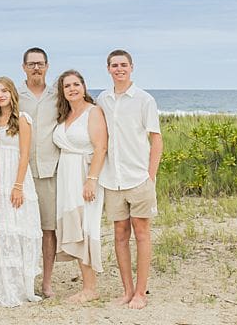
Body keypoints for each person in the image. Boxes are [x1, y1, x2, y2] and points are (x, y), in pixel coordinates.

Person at [96, 49, 162, 309]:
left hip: (138, 178)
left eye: (123, 64)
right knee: (120, 234)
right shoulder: (103, 99)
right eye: (114, 65)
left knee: (142, 233)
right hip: (113, 179)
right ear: (108, 68)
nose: (119, 69)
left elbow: (156, 139)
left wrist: (150, 176)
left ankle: (140, 293)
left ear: (131, 67)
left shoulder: (144, 100)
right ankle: (127, 290)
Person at [53, 68, 108, 303]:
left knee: (87, 227)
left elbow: (101, 147)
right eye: (67, 86)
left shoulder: (93, 112)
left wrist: (91, 180)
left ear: (84, 87)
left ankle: (90, 288)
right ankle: (86, 284)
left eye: (76, 84)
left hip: (85, 175)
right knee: (75, 226)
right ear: (62, 92)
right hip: (66, 176)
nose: (72, 89)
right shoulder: (65, 116)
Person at [0, 77, 41, 307]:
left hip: (16, 179)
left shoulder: (22, 119)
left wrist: (18, 186)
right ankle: (4, 287)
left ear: (12, 94)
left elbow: (24, 155)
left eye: (5, 91)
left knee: (18, 231)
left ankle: (21, 287)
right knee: (1, 233)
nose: (1, 95)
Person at [17, 47, 61, 296]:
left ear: (47, 66)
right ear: (23, 67)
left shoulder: (57, 94)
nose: (36, 67)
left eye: (40, 63)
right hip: (20, 171)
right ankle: (21, 280)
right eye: (31, 63)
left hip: (49, 169)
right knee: (20, 228)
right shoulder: (16, 94)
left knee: (47, 229)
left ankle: (46, 281)